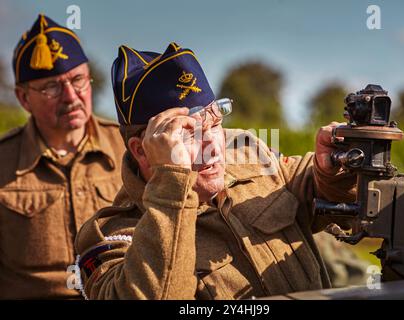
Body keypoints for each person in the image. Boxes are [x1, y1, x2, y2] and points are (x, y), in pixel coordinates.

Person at [75, 42, 357, 299]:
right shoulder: (112, 235)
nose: (212, 143)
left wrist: (333, 168)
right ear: (141, 150)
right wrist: (172, 183)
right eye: (188, 132)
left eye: (214, 121)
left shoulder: (252, 156)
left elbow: (323, 193)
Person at [0, 14, 125, 299]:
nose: (70, 96)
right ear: (23, 98)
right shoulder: (3, 162)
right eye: (52, 87)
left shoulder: (130, 148)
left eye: (78, 79)